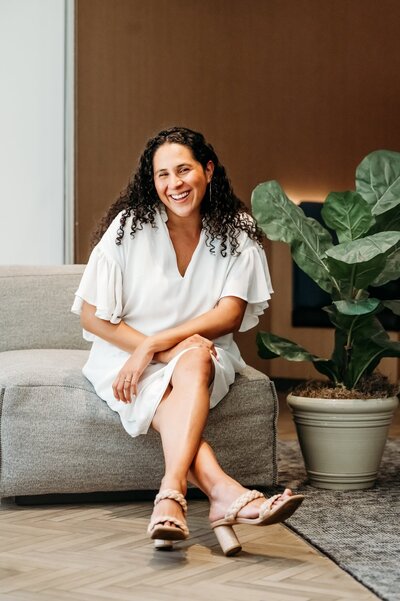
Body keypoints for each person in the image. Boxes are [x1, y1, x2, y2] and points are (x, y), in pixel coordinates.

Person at [71, 126, 303, 556]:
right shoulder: (128, 228)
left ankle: (171, 493)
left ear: (208, 170)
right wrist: (149, 349)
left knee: (197, 357)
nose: (174, 184)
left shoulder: (237, 230)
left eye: (184, 170)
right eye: (163, 175)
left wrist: (155, 345)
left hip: (199, 354)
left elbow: (228, 314)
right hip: (123, 355)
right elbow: (92, 315)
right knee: (190, 356)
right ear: (151, 181)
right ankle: (223, 494)